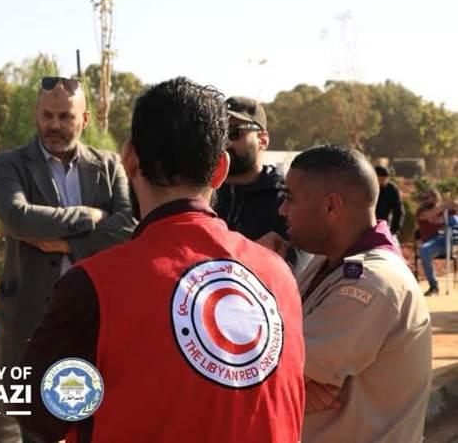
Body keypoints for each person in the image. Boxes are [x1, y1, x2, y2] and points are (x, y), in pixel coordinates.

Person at [20, 77, 305, 443]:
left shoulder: (97, 285)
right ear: (220, 169)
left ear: (129, 158)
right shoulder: (278, 276)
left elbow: (37, 411)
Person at [0, 75, 135, 437]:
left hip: (95, 320)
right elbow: (17, 217)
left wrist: (69, 245)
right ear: (36, 115)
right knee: (35, 428)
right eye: (47, 115)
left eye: (65, 117)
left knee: (94, 426)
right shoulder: (10, 163)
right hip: (31, 323)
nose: (53, 125)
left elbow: (128, 227)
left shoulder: (109, 165)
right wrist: (89, 217)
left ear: (84, 119)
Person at [281, 145, 431, 442]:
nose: (282, 210)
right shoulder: (328, 262)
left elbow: (263, 373)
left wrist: (286, 386)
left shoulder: (371, 282)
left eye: (289, 198)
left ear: (331, 207)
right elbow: (274, 370)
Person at [214, 96, 307, 271]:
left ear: (262, 140)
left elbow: (291, 271)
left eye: (234, 132)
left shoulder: (287, 200)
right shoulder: (200, 194)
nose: (225, 142)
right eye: (219, 132)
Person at [417, 190, 458, 296]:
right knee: (424, 250)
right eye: (423, 198)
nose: (424, 200)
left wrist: (454, 203)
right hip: (433, 243)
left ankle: (456, 244)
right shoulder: (421, 211)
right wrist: (444, 206)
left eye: (427, 198)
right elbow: (426, 216)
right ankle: (433, 286)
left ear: (436, 198)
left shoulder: (445, 210)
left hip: (448, 239)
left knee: (454, 219)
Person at [374, 165, 404, 238]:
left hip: (384, 226)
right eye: (381, 180)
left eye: (385, 180)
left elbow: (398, 211)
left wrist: (394, 230)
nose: (383, 182)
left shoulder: (391, 190)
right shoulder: (365, 188)